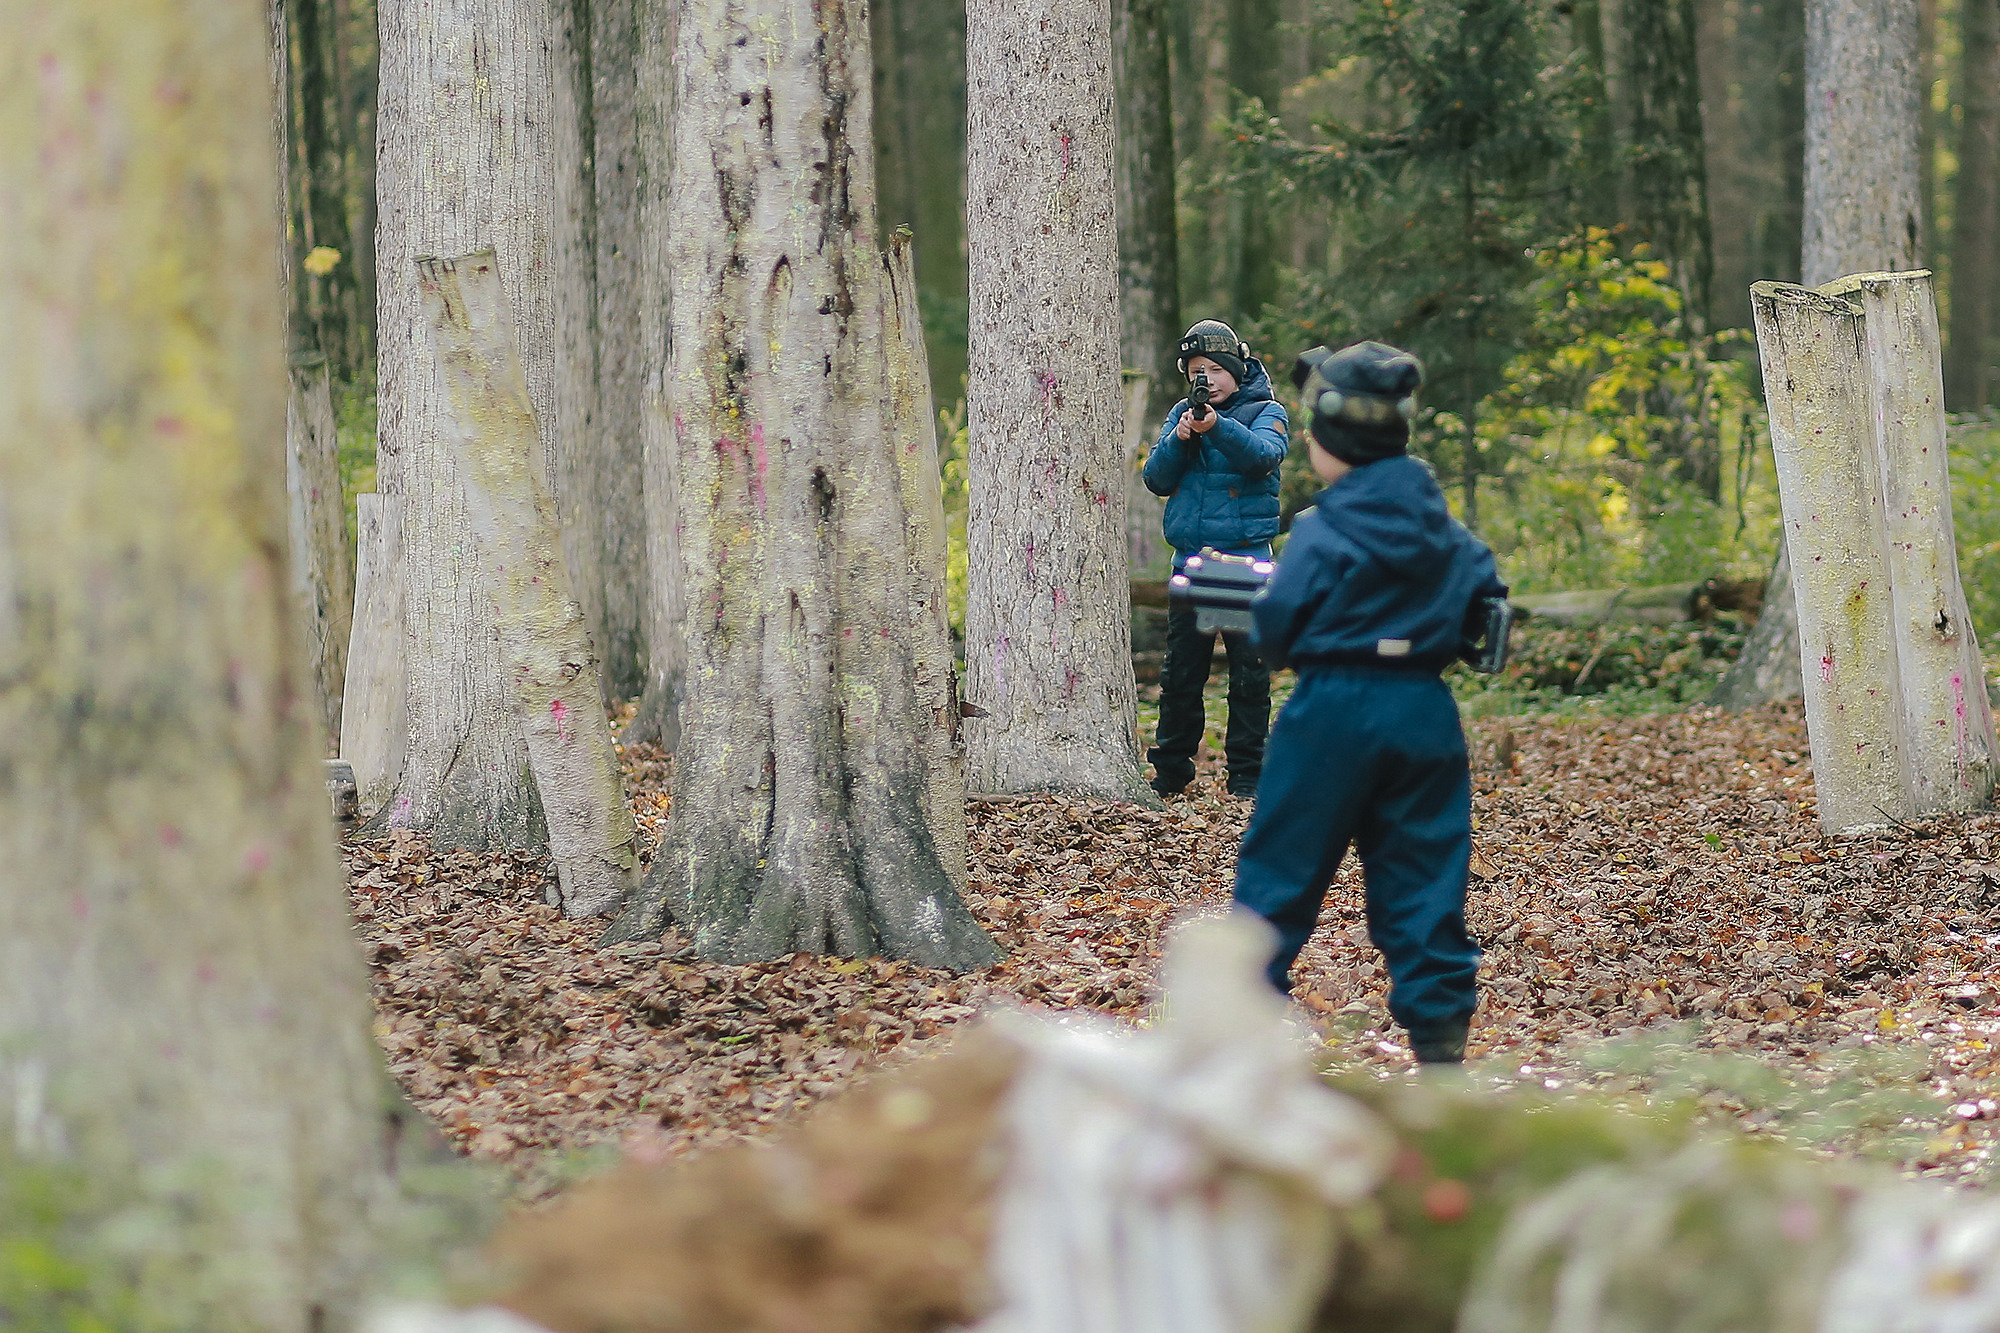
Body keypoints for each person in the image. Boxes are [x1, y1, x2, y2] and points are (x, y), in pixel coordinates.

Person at [1231, 341, 1507, 1065]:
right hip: (1424, 711)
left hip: (1331, 709)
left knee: (1282, 867)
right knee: (1424, 873)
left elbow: (1277, 627)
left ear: (1331, 440)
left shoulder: (1320, 532)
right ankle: (1441, 1045)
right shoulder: (1448, 532)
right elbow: (1486, 601)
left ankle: (1239, 1020)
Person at [1141, 319, 1290, 799]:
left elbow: (1264, 456)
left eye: (1214, 370)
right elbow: (1156, 479)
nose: (1207, 380)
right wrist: (1182, 437)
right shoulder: (1181, 415)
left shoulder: (1267, 410)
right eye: (1196, 371)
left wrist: (1217, 427)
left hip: (1246, 564)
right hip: (1193, 563)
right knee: (1181, 674)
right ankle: (1171, 770)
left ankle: (1247, 773)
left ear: (1235, 368)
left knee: (1250, 674)